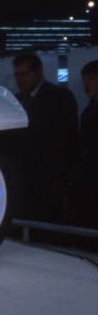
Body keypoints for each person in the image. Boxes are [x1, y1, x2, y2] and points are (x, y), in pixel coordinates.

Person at [11, 52, 78, 223]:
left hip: (48, 177)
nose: (20, 79)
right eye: (17, 75)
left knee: (47, 221)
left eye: (24, 74)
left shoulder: (59, 97)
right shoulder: (17, 100)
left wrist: (59, 178)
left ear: (39, 71)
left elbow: (66, 141)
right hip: (23, 177)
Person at [69, 60, 98, 228]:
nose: (86, 84)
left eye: (92, 79)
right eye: (84, 80)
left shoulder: (89, 112)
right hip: (88, 180)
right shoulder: (88, 112)